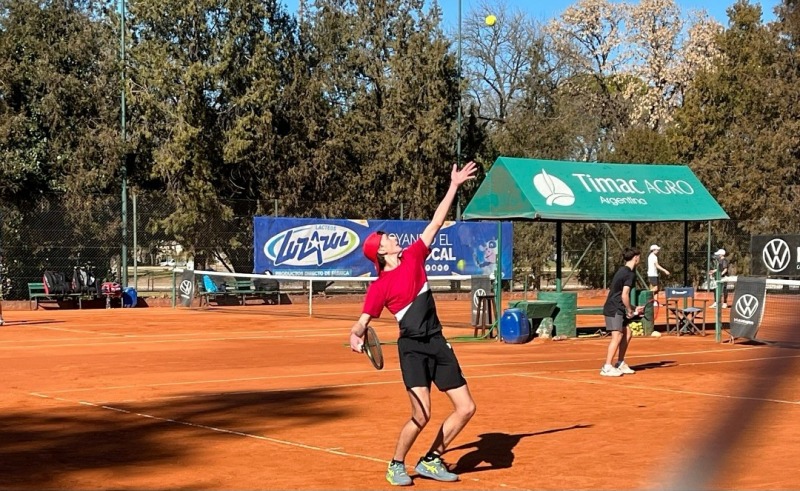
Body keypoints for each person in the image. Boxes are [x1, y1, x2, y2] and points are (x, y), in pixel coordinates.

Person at [349, 161, 478, 486]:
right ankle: (396, 464)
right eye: (387, 238)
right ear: (381, 251)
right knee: (421, 415)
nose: (393, 238)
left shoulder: (415, 256)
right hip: (412, 350)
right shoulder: (379, 287)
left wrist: (454, 186)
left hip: (437, 342)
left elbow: (436, 222)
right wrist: (356, 335)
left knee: (466, 408)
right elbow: (362, 321)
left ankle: (430, 460)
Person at [600, 247, 642, 377]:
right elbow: (624, 295)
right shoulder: (629, 274)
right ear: (635, 258)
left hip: (617, 306)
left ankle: (620, 363)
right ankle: (607, 367)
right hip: (614, 308)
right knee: (617, 336)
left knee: (627, 332)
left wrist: (634, 308)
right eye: (639, 257)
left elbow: (619, 294)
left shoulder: (622, 270)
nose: (640, 259)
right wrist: (630, 310)